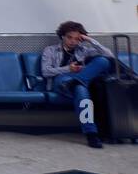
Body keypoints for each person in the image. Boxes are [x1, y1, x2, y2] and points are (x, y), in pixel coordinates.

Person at [41, 21, 116, 149]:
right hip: (61, 80)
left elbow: (109, 56)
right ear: (62, 36)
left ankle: (77, 81)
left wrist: (90, 40)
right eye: (69, 37)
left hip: (80, 80)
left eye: (77, 38)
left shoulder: (84, 50)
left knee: (103, 61)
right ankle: (91, 133)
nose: (73, 41)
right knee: (81, 87)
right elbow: (46, 71)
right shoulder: (50, 50)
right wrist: (68, 69)